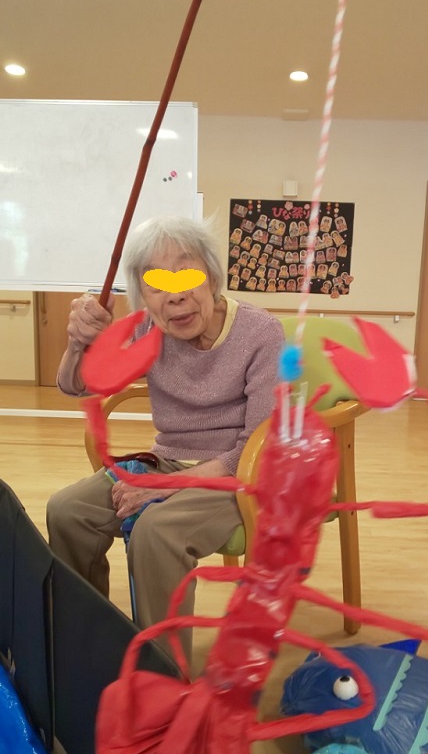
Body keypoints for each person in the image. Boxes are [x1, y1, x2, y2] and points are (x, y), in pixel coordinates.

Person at [47, 216, 284, 658]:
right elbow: (77, 385)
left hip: (236, 474)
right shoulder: (146, 328)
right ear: (143, 295)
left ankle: (163, 675)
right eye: (157, 283)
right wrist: (79, 343)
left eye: (187, 274)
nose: (175, 295)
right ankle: (87, 646)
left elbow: (255, 449)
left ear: (212, 277)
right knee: (67, 511)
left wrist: (163, 487)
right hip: (168, 459)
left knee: (156, 531)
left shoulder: (260, 332)